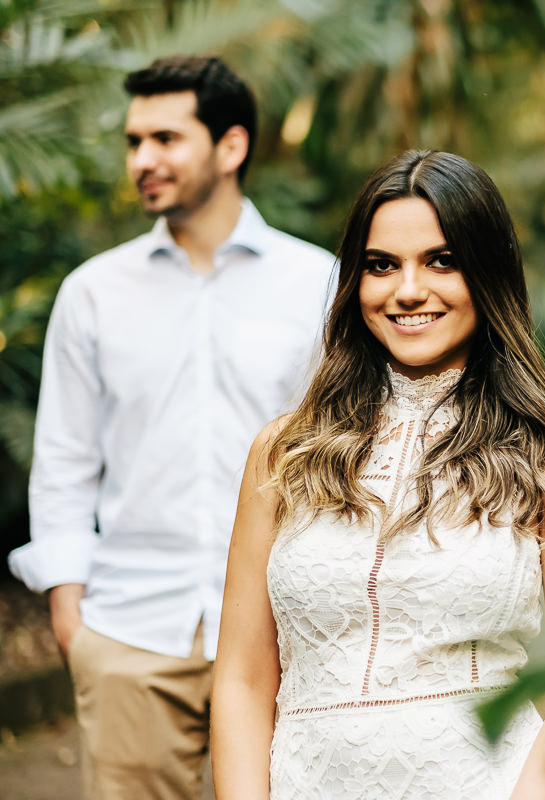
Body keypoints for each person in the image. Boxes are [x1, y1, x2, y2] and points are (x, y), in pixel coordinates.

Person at [210, 149, 545, 799]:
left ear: (486, 274)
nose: (407, 290)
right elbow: (241, 681)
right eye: (381, 265)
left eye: (442, 261)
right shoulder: (283, 453)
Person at [6, 56, 335, 799]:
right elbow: (63, 459)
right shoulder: (92, 294)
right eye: (133, 142)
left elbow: (343, 451)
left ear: (231, 146)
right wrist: (71, 613)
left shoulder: (317, 282)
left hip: (288, 632)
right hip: (130, 634)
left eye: (164, 137)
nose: (142, 160)